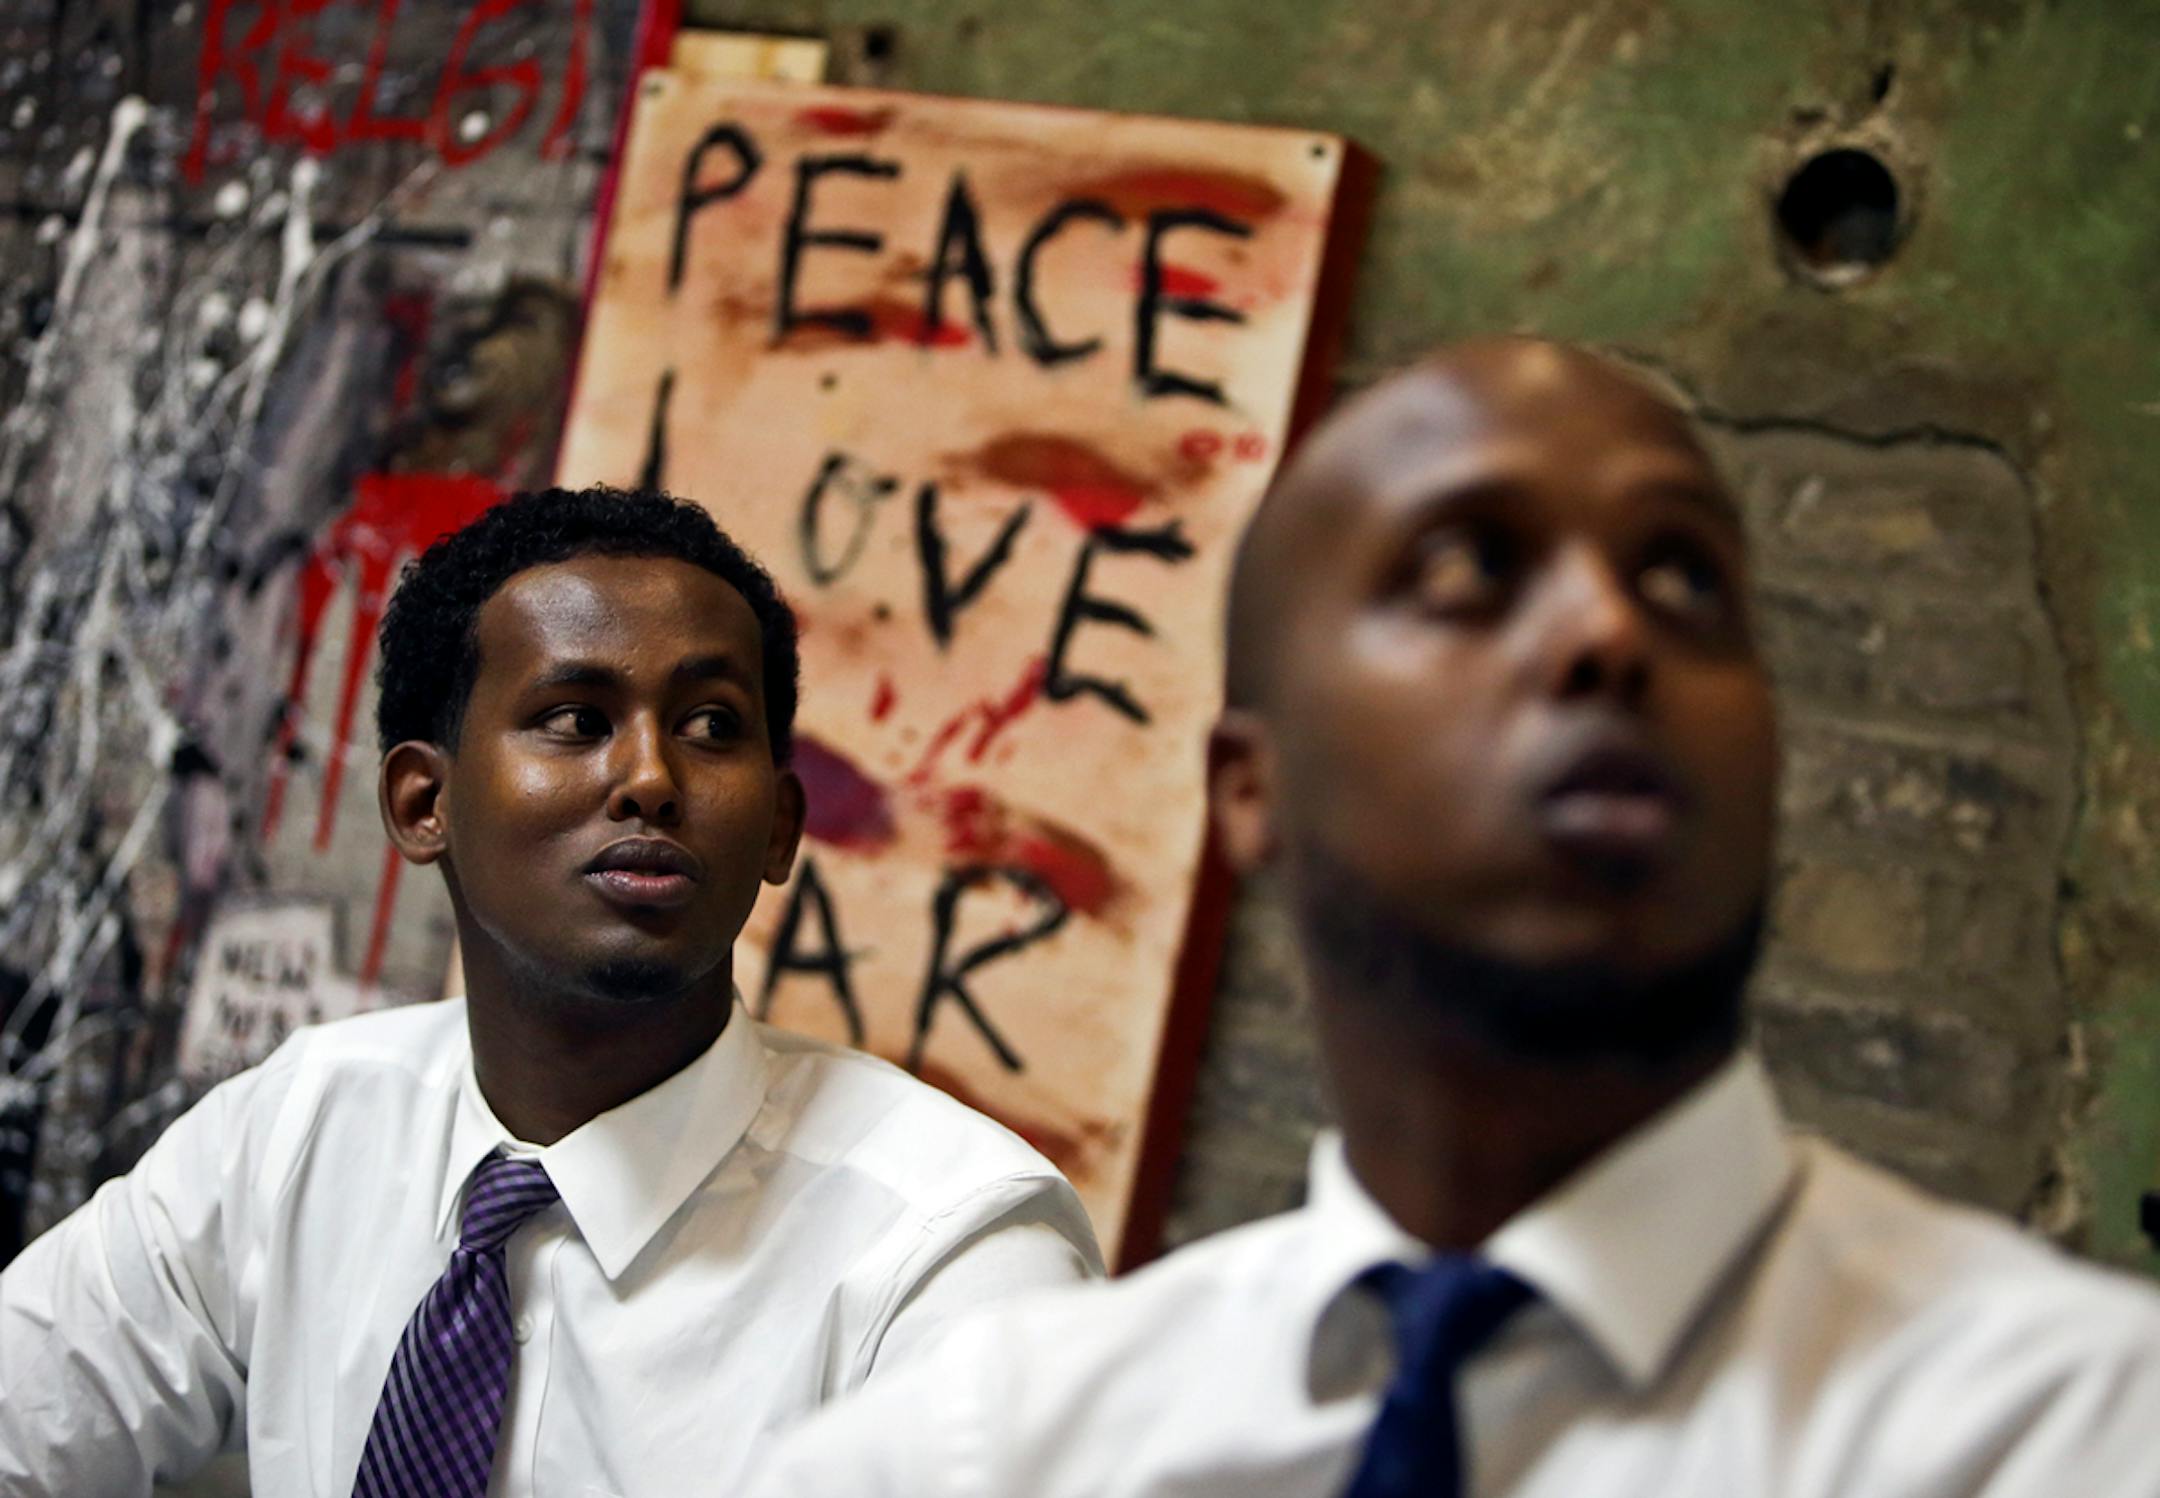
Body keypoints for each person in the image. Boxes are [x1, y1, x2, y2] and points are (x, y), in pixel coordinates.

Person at [739, 340, 2160, 1498]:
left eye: (1686, 577)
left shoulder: (2065, 1430)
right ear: (1253, 787)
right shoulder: (987, 1455)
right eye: (1470, 568)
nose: (1611, 629)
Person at [0, 487, 1100, 1497]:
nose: (654, 777)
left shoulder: (945, 1254)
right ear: (425, 800)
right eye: (576, 717)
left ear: (778, 826)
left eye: (713, 724)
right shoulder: (303, 1125)